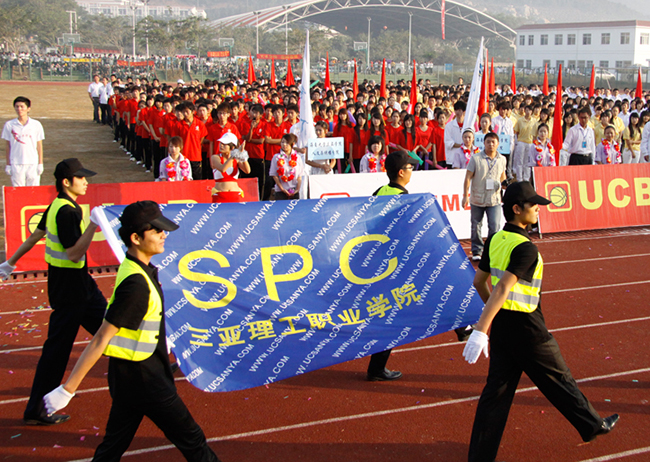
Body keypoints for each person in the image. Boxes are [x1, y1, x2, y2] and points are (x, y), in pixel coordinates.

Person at [43, 201, 221, 462]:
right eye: (156, 230)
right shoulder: (136, 283)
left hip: (129, 375)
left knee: (112, 447)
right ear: (136, 238)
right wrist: (67, 389)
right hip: (146, 378)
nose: (163, 235)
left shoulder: (137, 268)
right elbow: (102, 337)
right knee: (193, 440)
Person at [463, 181, 619, 462]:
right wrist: (480, 330)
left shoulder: (495, 238)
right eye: (533, 204)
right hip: (528, 329)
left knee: (495, 395)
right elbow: (502, 287)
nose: (538, 208)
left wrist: (491, 318)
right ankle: (593, 425)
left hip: (503, 327)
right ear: (516, 209)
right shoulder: (526, 249)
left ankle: (479, 457)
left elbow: (479, 282)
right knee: (559, 378)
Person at [0, 158, 106, 425]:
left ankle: (153, 366)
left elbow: (34, 237)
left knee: (111, 330)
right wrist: (94, 224)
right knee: (58, 351)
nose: (86, 182)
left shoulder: (56, 204)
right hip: (72, 289)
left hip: (74, 284)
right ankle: (37, 409)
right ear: (66, 182)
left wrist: (10, 262)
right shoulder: (67, 212)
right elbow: (74, 254)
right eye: (81, 178)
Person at [366, 150, 418, 381]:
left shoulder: (380, 191)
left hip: (378, 259)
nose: (412, 171)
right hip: (394, 264)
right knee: (391, 315)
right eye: (410, 167)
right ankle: (376, 368)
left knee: (388, 312)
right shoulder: (403, 198)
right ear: (401, 172)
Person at [461, 132, 507, 262]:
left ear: (498, 144)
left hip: (494, 199)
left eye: (493, 142)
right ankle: (477, 250)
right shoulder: (476, 159)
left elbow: (502, 177)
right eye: (488, 142)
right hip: (477, 198)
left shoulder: (502, 159)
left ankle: (491, 250)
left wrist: (505, 186)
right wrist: (465, 196)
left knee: (495, 226)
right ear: (484, 143)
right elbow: (468, 177)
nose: (491, 144)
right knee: (476, 225)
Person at [2, 96, 45, 187]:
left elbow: (39, 145)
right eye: (17, 107)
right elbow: (8, 146)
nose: (19, 109)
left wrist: (40, 163)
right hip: (16, 163)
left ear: (28, 108)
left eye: (22, 107)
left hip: (32, 163)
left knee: (33, 190)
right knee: (18, 190)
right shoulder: (9, 125)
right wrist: (8, 164)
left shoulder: (36, 125)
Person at [211, 133, 250, 202]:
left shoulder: (236, 160)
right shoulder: (215, 157)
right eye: (221, 143)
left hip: (235, 195)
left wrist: (243, 156)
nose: (221, 145)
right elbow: (222, 169)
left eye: (225, 144)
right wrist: (234, 155)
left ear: (232, 147)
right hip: (220, 195)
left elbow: (247, 171)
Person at [269, 133, 304, 200]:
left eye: (287, 143)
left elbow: (300, 176)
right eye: (282, 142)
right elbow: (274, 175)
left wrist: (297, 189)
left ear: (292, 144)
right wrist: (282, 189)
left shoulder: (298, 157)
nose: (284, 144)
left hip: (294, 191)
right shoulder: (276, 157)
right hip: (280, 192)